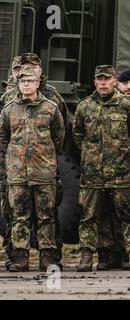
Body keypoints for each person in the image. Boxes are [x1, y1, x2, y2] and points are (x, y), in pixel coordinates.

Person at [0, 66, 65, 272]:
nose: (26, 84)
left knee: (47, 216)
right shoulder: (9, 108)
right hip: (18, 173)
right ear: (18, 84)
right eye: (23, 81)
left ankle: (47, 258)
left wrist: (44, 158)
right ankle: (20, 258)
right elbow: (2, 138)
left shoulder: (51, 108)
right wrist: (15, 158)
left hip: (44, 173)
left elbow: (59, 138)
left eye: (30, 81)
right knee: (20, 216)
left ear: (38, 83)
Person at [74, 65, 130, 271]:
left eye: (108, 79)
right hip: (93, 175)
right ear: (95, 82)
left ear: (115, 81)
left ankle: (127, 254)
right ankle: (88, 257)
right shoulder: (84, 107)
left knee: (126, 215)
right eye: (100, 79)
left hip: (121, 174)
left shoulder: (126, 105)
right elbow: (78, 136)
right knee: (90, 216)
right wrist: (92, 156)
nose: (104, 83)